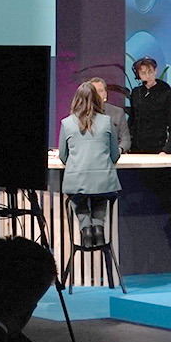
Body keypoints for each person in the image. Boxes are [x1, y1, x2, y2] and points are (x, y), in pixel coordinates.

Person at [60, 82, 121, 245]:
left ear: (76, 100)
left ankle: (86, 228)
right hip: (104, 182)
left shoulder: (66, 123)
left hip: (77, 181)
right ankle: (99, 228)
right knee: (100, 195)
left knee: (79, 197)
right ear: (96, 99)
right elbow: (115, 155)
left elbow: (62, 156)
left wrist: (76, 164)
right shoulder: (107, 121)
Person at [125, 58, 171, 154]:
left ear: (155, 71)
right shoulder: (136, 92)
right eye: (143, 73)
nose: (147, 76)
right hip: (136, 147)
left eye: (150, 72)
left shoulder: (166, 92)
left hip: (158, 147)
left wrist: (167, 148)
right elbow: (132, 119)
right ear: (138, 75)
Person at [88, 76, 129, 147]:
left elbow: (125, 139)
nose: (97, 94)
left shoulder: (118, 112)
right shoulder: (82, 113)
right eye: (94, 91)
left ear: (105, 94)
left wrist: (118, 151)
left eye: (100, 91)